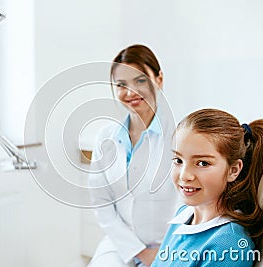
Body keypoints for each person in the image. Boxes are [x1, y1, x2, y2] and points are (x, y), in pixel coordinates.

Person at [87, 44, 179, 267]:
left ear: (159, 80)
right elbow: (101, 202)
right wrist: (135, 249)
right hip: (119, 244)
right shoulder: (105, 137)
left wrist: (164, 249)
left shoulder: (180, 135)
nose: (130, 92)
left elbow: (190, 201)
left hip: (168, 244)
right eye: (121, 85)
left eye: (140, 81)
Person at [151, 108, 263, 266]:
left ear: (233, 170)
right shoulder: (183, 215)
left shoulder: (228, 244)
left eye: (203, 163)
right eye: (178, 160)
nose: (184, 176)